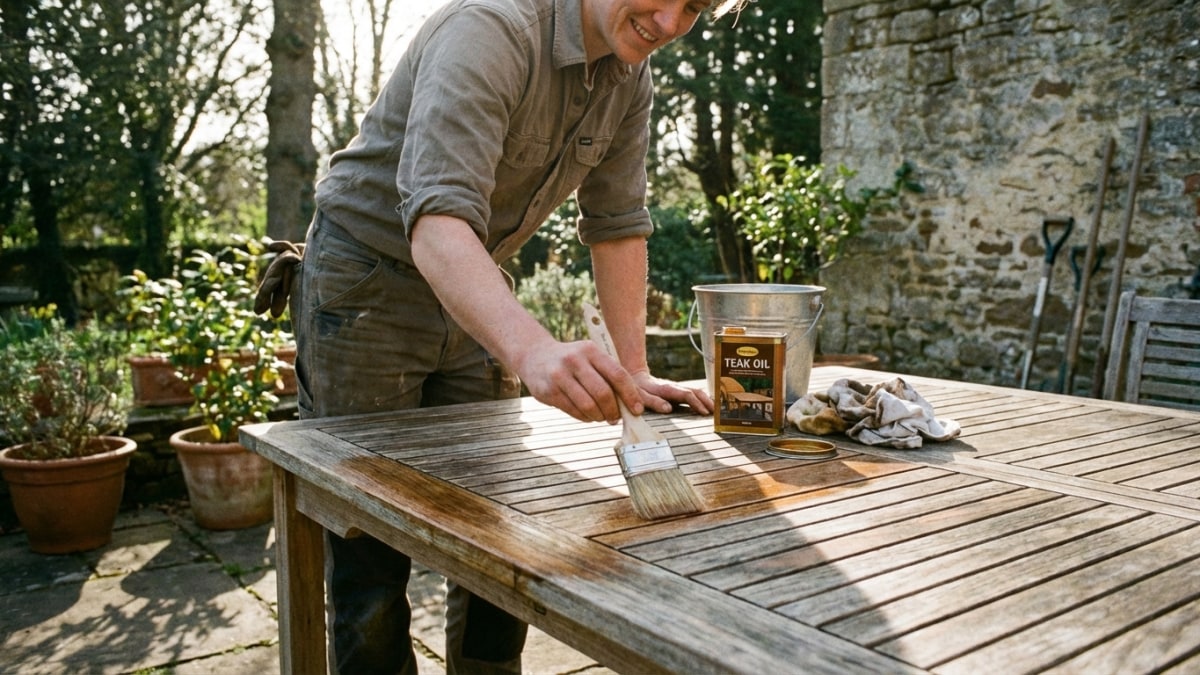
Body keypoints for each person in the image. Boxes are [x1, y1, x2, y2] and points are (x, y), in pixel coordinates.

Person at [284, 0, 745, 672]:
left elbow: (616, 222)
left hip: (477, 282)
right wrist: (530, 348)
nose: (671, 23)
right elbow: (437, 219)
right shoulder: (489, 30)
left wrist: (635, 367)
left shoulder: (629, 75)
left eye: (696, 8)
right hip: (365, 286)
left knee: (499, 526)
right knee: (369, 545)